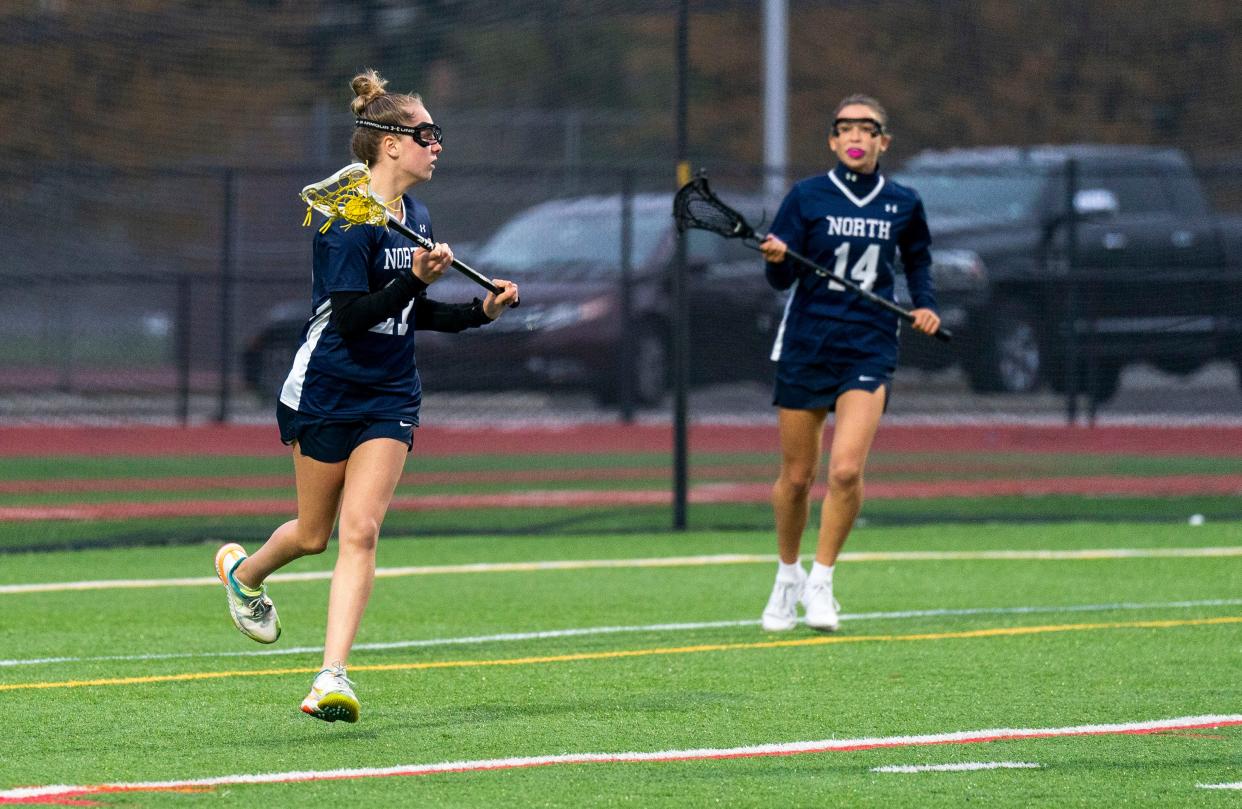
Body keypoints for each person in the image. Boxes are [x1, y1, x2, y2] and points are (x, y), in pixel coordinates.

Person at [212, 69, 519, 723]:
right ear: (388, 144)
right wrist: (411, 278)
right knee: (315, 533)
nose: (437, 145)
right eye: (426, 134)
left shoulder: (417, 215)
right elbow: (352, 317)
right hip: (325, 390)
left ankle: (332, 676)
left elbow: (411, 316)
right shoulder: (345, 219)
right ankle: (244, 574)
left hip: (390, 394)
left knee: (362, 529)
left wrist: (479, 313)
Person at [757, 94, 940, 633]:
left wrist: (925, 305)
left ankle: (822, 582)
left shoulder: (903, 202)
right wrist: (776, 262)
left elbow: (918, 260)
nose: (857, 136)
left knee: (845, 470)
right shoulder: (807, 197)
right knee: (796, 477)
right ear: (833, 140)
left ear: (884, 140)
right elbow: (783, 278)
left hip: (869, 345)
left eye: (869, 128)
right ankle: (787, 575)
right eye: (846, 128)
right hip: (808, 344)